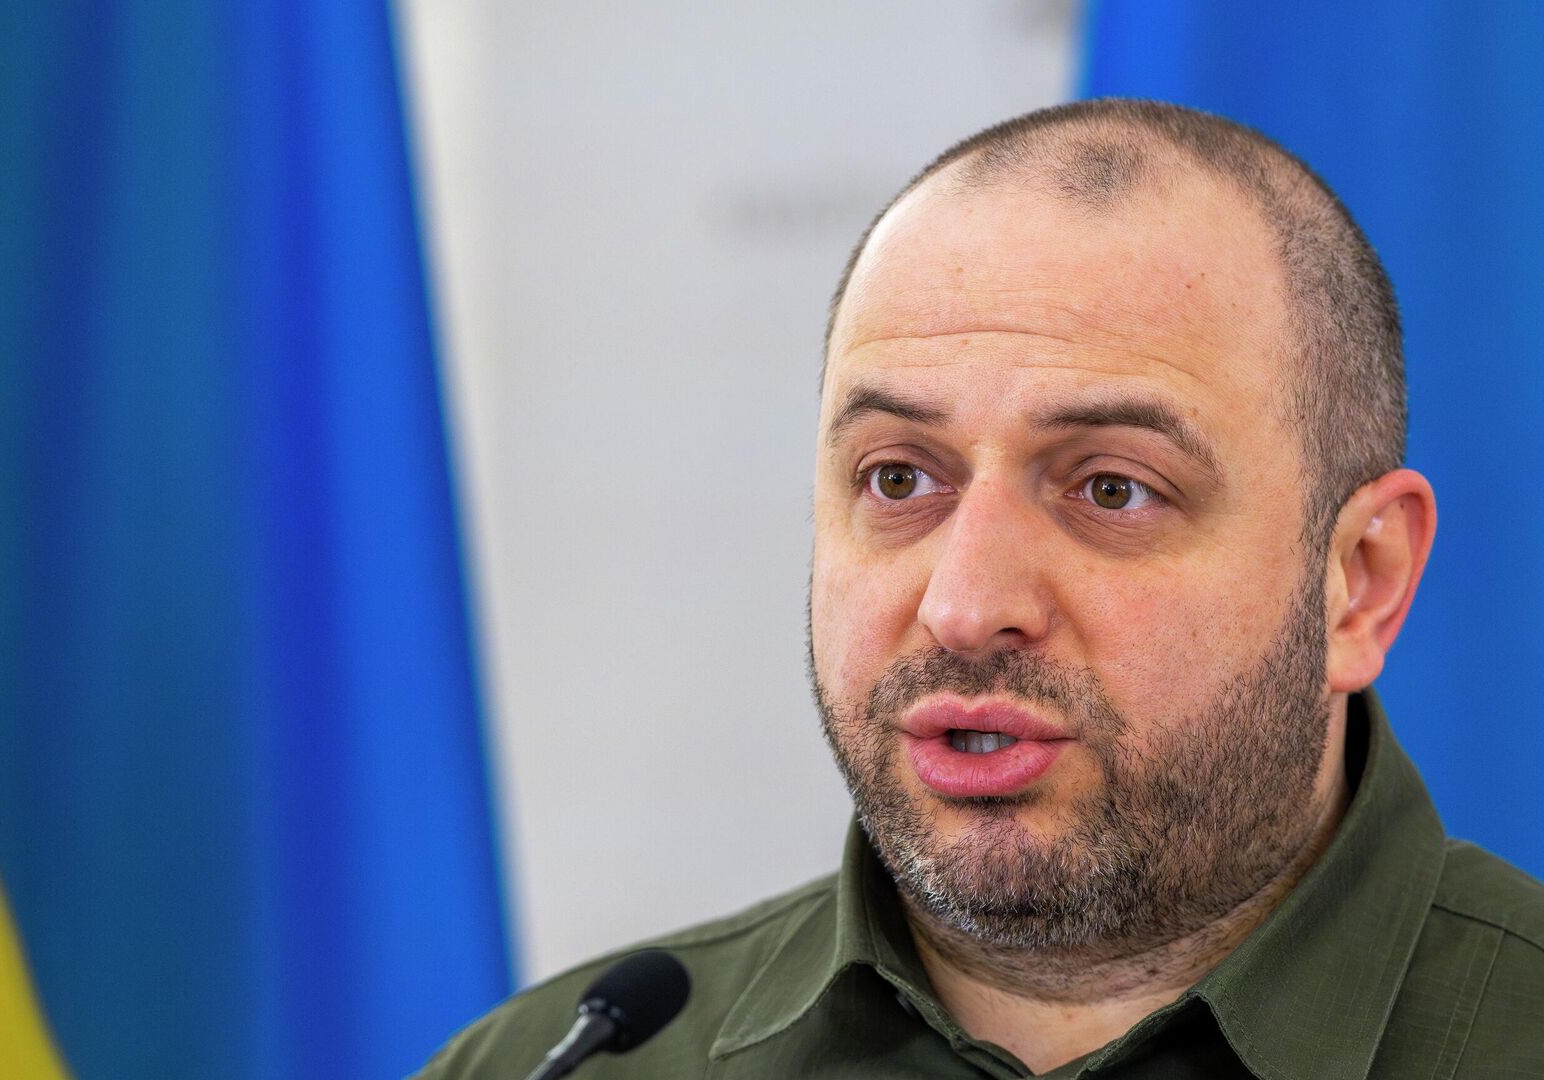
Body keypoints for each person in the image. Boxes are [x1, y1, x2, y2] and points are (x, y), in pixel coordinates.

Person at [417, 99, 1544, 1079]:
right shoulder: (562, 1064)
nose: (963, 608)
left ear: (1359, 583)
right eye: (898, 478)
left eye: (1112, 489)